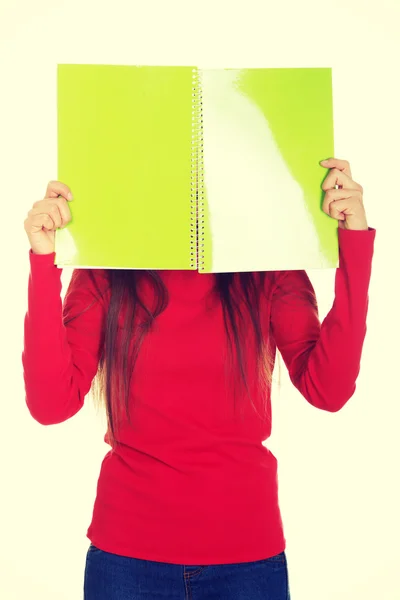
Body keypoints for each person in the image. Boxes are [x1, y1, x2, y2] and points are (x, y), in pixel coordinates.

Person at [22, 157, 376, 600]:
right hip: (126, 558)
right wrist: (43, 260)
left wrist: (354, 244)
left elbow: (329, 389)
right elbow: (50, 404)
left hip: (248, 558)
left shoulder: (269, 266)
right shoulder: (105, 268)